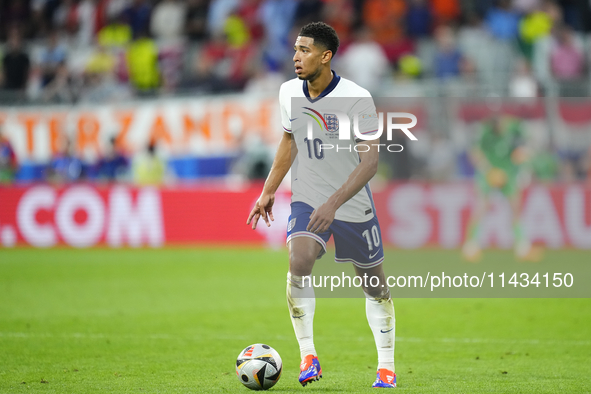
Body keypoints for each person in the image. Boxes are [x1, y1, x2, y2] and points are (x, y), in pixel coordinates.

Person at [246, 22, 396, 389]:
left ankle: (386, 367)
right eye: (295, 49)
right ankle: (308, 355)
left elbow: (370, 163)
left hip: (351, 203)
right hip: (308, 198)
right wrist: (268, 190)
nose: (296, 57)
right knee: (299, 260)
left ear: (326, 56)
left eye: (305, 50)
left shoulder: (356, 98)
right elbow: (289, 141)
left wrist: (333, 203)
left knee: (374, 285)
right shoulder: (287, 93)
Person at [462, 113, 539, 262]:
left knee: (516, 207)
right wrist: (487, 169)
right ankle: (471, 245)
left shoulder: (515, 129)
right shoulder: (485, 132)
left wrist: (522, 159)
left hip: (508, 172)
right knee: (482, 207)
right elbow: (475, 153)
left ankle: (522, 247)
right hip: (489, 172)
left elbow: (525, 148)